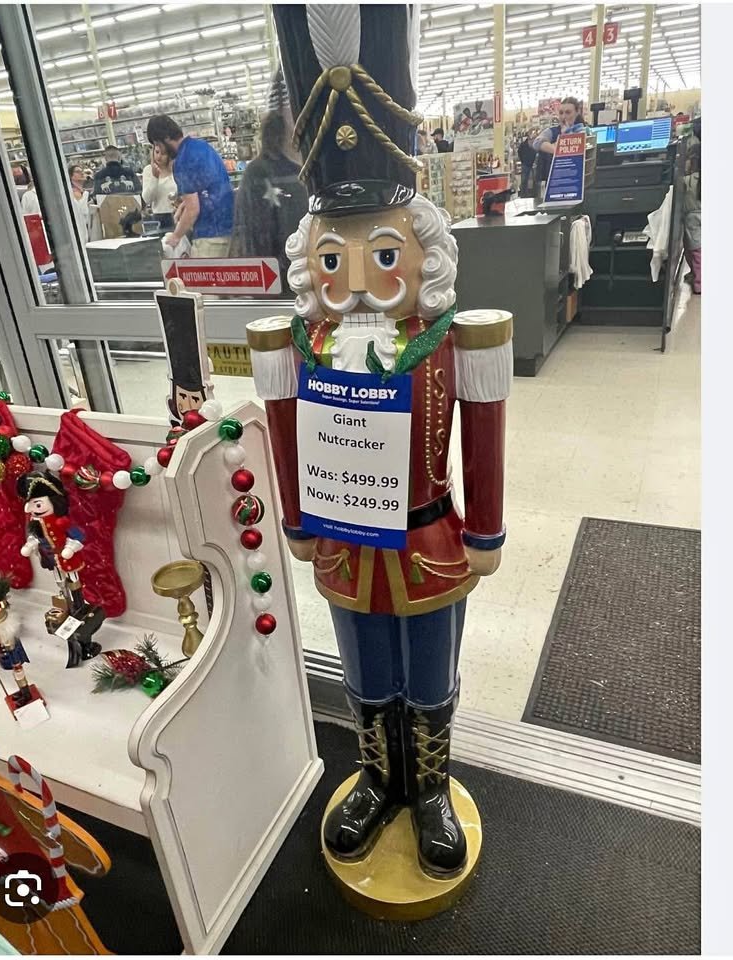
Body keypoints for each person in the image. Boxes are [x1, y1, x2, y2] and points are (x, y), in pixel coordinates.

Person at [253, 3, 509, 881]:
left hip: (428, 537)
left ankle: (428, 785)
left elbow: (483, 431)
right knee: (362, 665)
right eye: (334, 259)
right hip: (342, 539)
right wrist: (295, 520)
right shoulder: (301, 344)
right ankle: (375, 776)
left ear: (423, 253)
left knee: (429, 668)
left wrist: (486, 530)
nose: (357, 275)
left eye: (382, 254)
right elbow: (286, 428)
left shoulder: (449, 341)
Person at [229, 108, 307, 290]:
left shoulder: (253, 171)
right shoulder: (295, 172)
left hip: (266, 264)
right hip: (295, 259)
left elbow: (244, 224)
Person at [146, 114, 234, 257]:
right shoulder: (201, 146)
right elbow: (207, 188)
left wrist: (175, 237)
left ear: (166, 138)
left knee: (203, 272)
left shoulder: (182, 161)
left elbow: (193, 210)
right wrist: (184, 205)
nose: (158, 150)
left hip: (209, 234)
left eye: (157, 144)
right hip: (229, 226)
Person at [533, 97, 585, 189]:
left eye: (568, 112)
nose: (564, 116)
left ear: (577, 112)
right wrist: (559, 149)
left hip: (578, 183)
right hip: (555, 184)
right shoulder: (552, 131)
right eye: (561, 113)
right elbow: (537, 142)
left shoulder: (584, 131)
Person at [682, 117, 701, 295]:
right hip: (698, 213)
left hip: (692, 216)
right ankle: (696, 276)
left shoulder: (689, 180)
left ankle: (699, 282)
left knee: (695, 249)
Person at [142, 143, 177, 231]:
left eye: (163, 154)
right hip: (159, 218)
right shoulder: (148, 170)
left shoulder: (177, 168)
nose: (159, 156)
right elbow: (147, 199)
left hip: (178, 214)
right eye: (157, 152)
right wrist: (155, 177)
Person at [68, 164, 90, 243]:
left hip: (86, 231)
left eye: (82, 171)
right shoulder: (69, 193)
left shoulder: (86, 194)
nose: (82, 173)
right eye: (78, 171)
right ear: (71, 176)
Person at [517, 132, 537, 197]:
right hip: (525, 164)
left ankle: (534, 194)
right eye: (532, 138)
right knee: (524, 180)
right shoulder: (523, 145)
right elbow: (519, 152)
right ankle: (523, 194)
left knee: (534, 179)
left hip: (533, 164)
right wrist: (523, 160)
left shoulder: (535, 145)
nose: (533, 140)